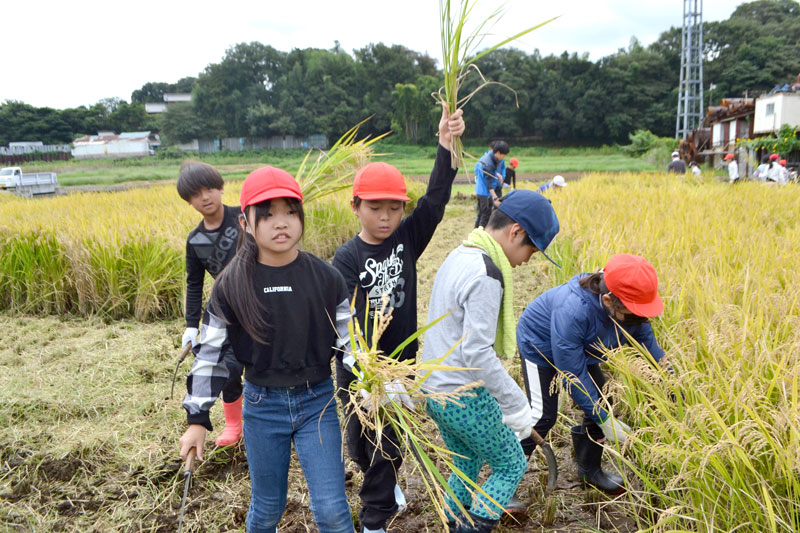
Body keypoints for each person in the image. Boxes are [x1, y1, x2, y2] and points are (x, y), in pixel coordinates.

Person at [179, 167, 356, 533]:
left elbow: (350, 343)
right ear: (245, 222)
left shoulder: (326, 278)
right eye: (269, 213)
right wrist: (197, 419)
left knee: (332, 510)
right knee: (266, 510)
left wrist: (373, 382)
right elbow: (209, 354)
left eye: (291, 212)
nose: (282, 223)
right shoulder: (232, 284)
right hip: (261, 405)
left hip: (317, 402)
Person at [332, 104, 465, 533]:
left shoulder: (407, 238)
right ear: (356, 207)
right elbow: (346, 326)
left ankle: (374, 520)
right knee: (360, 441)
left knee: (387, 445)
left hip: (401, 365)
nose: (386, 217)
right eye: (376, 208)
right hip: (362, 372)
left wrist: (445, 143)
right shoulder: (347, 258)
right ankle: (382, 486)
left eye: (394, 208)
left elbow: (436, 200)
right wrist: (371, 374)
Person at [421, 190, 560, 533]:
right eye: (532, 249)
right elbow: (478, 352)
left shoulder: (460, 252)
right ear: (515, 232)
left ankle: (453, 524)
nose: (528, 260)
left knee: (466, 464)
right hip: (462, 394)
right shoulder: (486, 273)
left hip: (434, 390)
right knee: (511, 463)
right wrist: (515, 405)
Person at [516, 254, 667, 495]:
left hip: (579, 350)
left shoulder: (630, 309)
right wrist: (605, 420)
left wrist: (676, 382)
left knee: (604, 397)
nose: (639, 320)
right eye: (634, 314)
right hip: (540, 347)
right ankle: (501, 483)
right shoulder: (573, 309)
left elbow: (652, 350)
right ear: (608, 300)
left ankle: (590, 470)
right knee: (543, 416)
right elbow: (572, 373)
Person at [177, 161, 245, 447]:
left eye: (209, 189)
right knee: (225, 367)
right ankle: (234, 423)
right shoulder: (196, 240)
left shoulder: (244, 217)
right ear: (189, 201)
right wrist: (191, 327)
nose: (205, 197)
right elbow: (194, 284)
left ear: (220, 187)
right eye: (195, 194)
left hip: (260, 300)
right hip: (224, 310)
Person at [474, 141, 508, 228]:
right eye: (504, 155)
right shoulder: (489, 163)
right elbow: (489, 185)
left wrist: (497, 174)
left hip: (482, 190)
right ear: (498, 153)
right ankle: (479, 234)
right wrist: (496, 198)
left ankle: (476, 231)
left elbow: (490, 171)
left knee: (482, 212)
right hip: (484, 192)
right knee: (485, 214)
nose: (504, 157)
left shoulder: (490, 156)